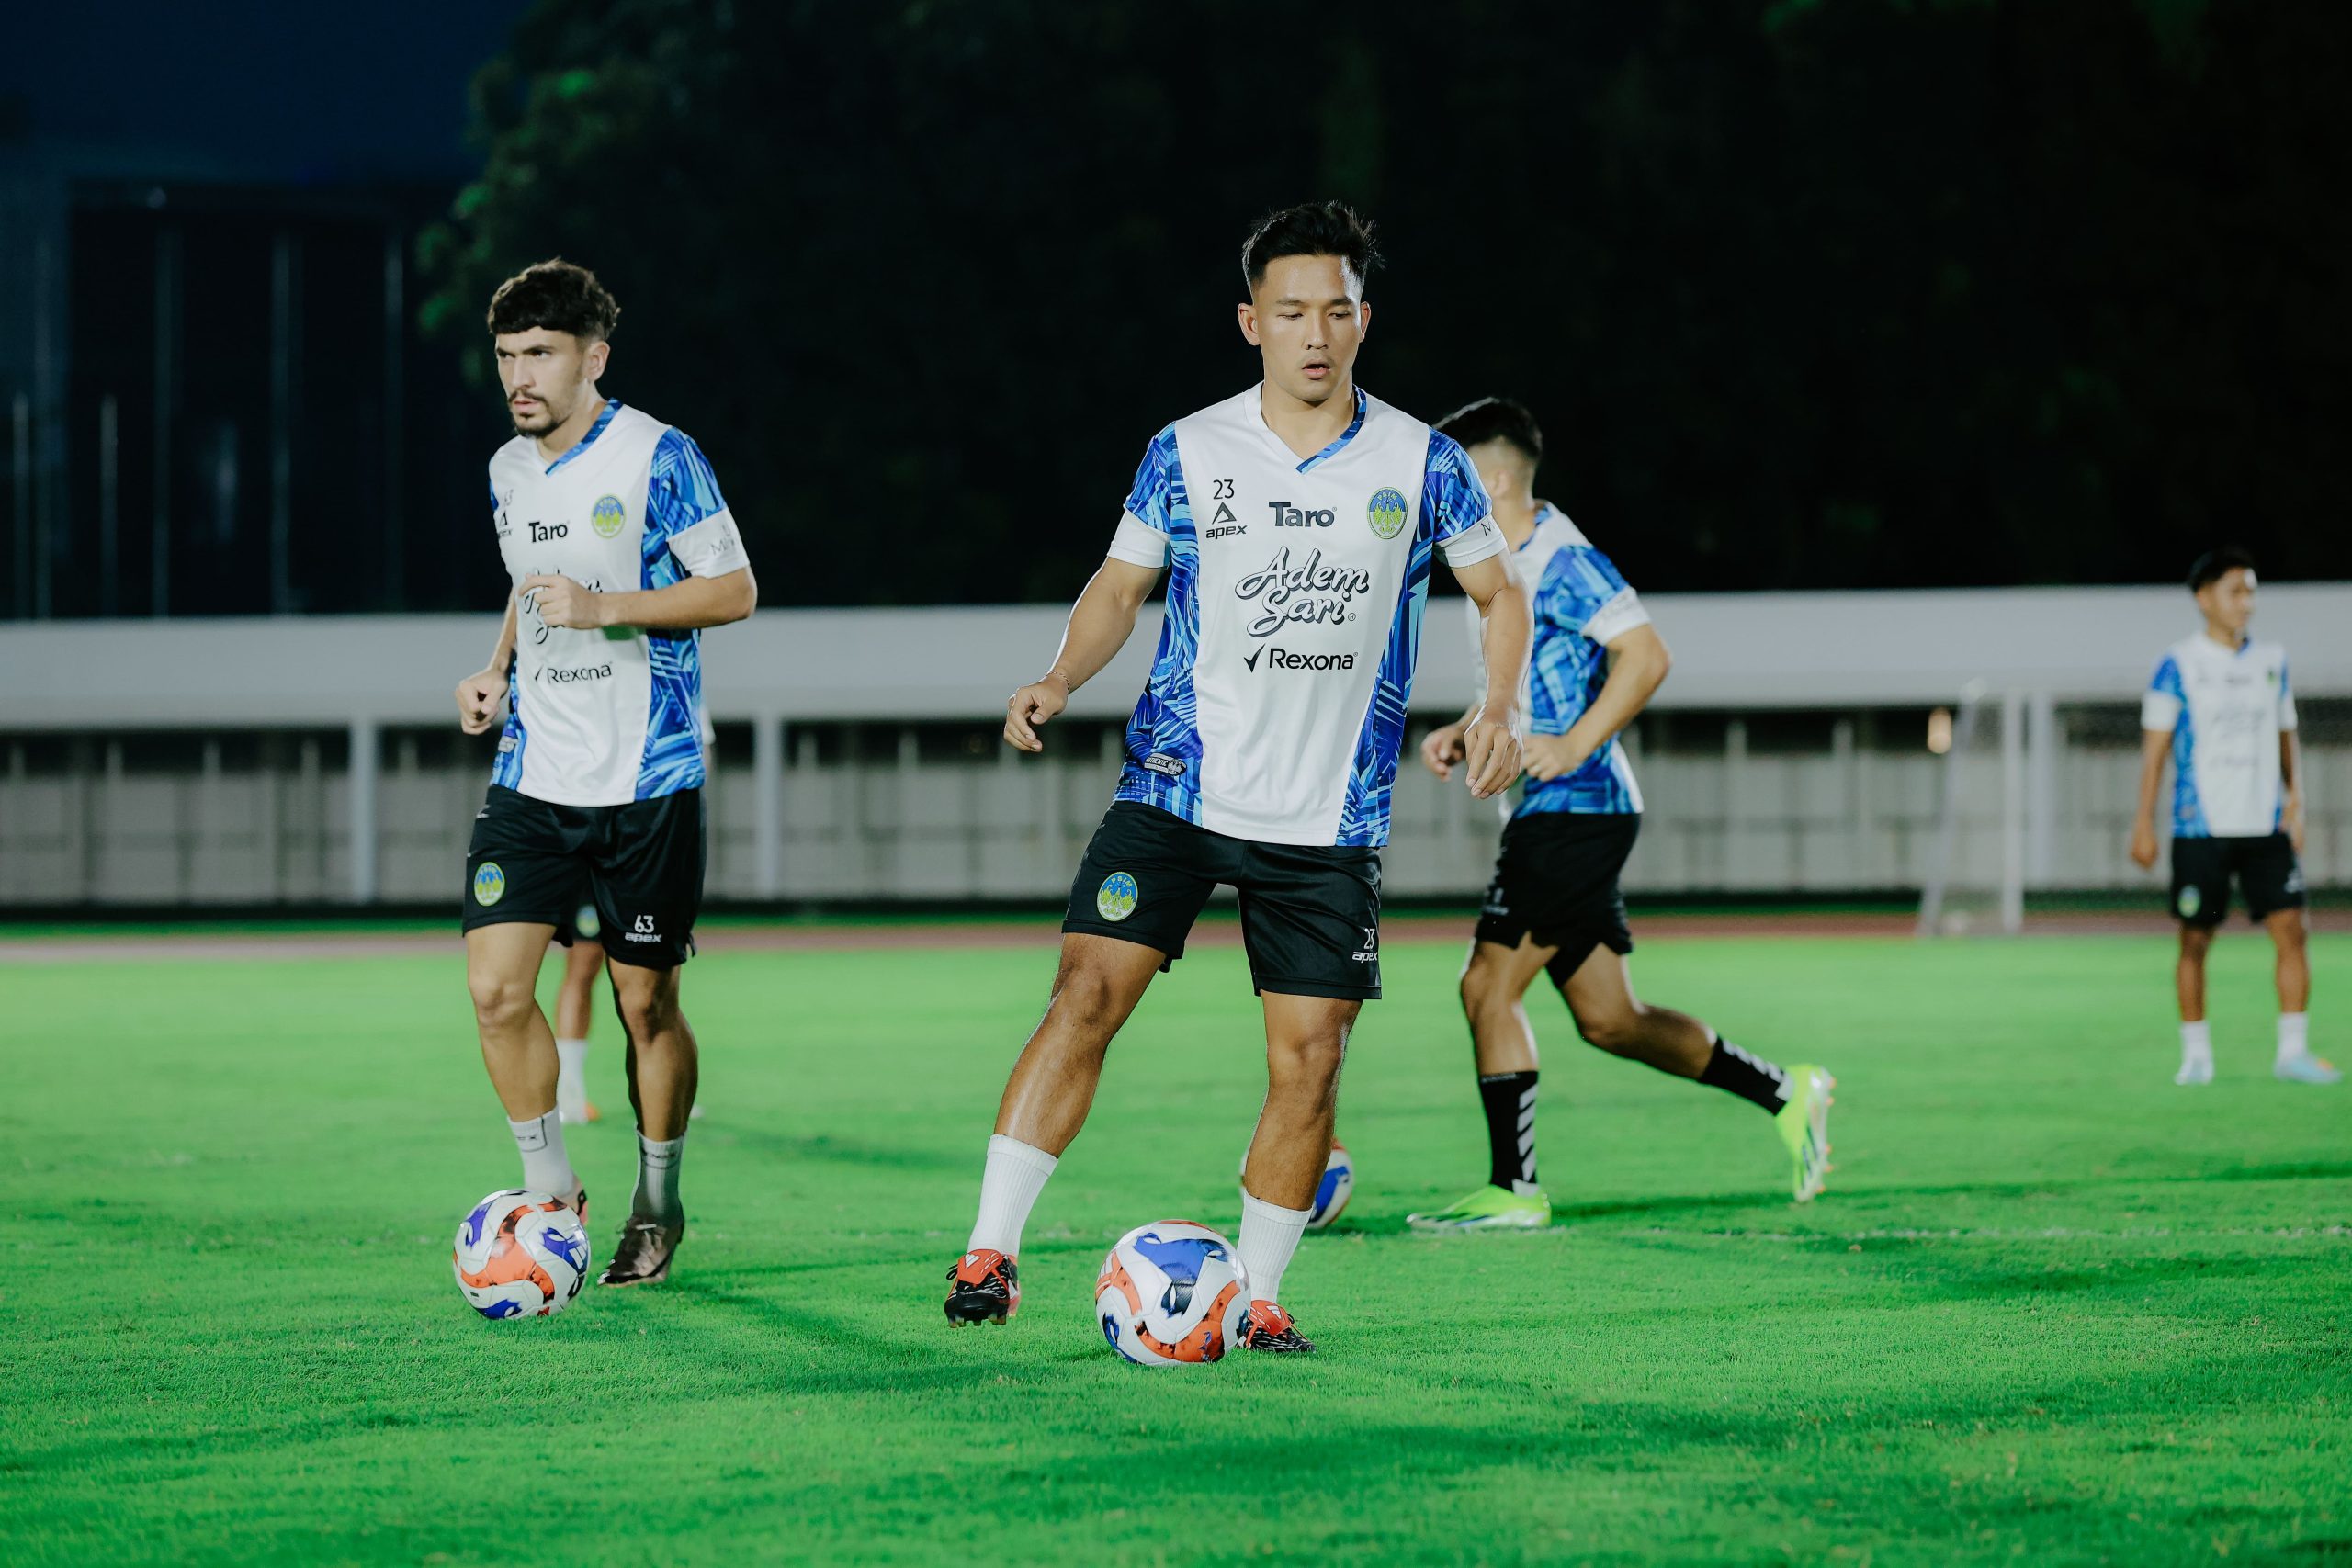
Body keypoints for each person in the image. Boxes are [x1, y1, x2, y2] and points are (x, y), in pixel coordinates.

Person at [942, 202, 1532, 1354]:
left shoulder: (1425, 461)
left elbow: (1498, 593)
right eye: (1291, 311)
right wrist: (1058, 677)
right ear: (1251, 322)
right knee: (1082, 997)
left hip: (1329, 818)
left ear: (1364, 321)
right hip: (1176, 790)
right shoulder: (1188, 450)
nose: (1315, 333)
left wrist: (1497, 704)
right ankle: (988, 1252)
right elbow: (1120, 586)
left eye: (1336, 311)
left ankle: (1256, 1299)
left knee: (1310, 1061)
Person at [1404, 398, 1834, 1232]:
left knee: (1486, 983)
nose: (1440, 496)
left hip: (1576, 807)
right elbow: (1532, 686)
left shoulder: (1559, 557)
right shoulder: (1503, 562)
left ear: (1495, 479)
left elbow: (1647, 653)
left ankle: (1515, 1191)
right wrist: (1469, 728)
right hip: (1571, 808)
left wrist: (1572, 745)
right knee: (1611, 1020)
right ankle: (1789, 1091)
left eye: (1454, 478)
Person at [452, 258, 758, 1288]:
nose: (519, 376)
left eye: (539, 354)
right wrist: (497, 669)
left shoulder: (659, 456)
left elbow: (734, 590)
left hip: (647, 777)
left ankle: (658, 1201)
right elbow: (527, 584)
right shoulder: (507, 469)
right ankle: (549, 1194)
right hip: (534, 772)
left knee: (646, 1006)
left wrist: (605, 608)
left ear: (594, 358)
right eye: (507, 356)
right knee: (496, 991)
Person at [2131, 547, 2334, 1086]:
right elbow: (2155, 751)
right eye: (2235, 592)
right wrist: (2143, 821)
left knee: (2293, 932)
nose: (2246, 603)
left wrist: (2296, 798)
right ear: (2204, 598)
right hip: (2201, 827)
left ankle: (2293, 1052)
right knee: (2195, 941)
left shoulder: (2272, 660)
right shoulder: (2178, 664)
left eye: (2251, 592)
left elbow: (2285, 734)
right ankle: (2197, 1056)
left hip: (2265, 826)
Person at [554, 703, 716, 1127]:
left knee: (653, 984)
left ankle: (664, 1093)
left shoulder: (678, 686)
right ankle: (569, 1092)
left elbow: (698, 757)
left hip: (652, 836)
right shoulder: (588, 683)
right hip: (594, 834)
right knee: (583, 965)